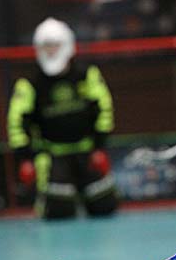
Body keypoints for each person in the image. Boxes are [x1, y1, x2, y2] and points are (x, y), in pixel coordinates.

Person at [7, 17, 118, 219]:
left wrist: (99, 146)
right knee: (59, 211)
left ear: (67, 45)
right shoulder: (29, 84)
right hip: (52, 156)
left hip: (87, 152)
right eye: (46, 46)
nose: (50, 51)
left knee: (104, 206)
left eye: (55, 46)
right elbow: (16, 123)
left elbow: (104, 109)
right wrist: (26, 157)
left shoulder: (87, 75)